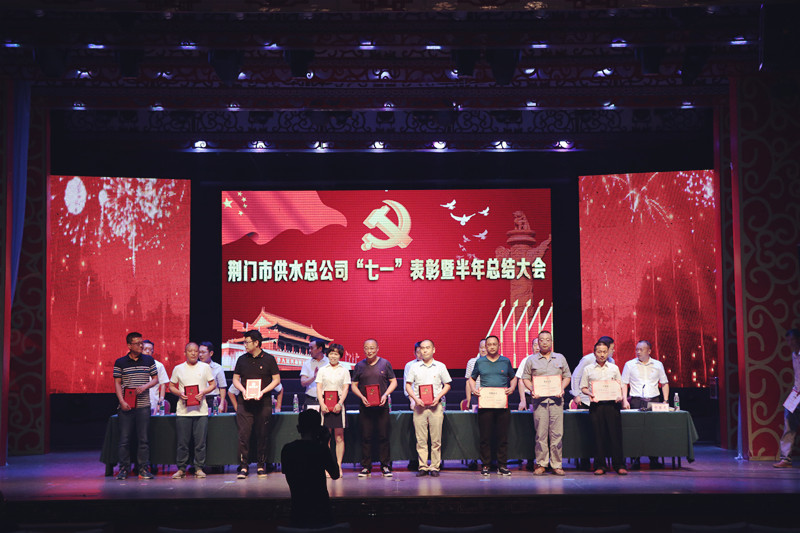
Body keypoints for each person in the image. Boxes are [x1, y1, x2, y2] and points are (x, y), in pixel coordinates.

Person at [231, 329, 281, 479]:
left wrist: (262, 391)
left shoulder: (269, 359)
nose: (245, 345)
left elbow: (276, 380)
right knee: (244, 435)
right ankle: (244, 466)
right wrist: (243, 390)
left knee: (263, 434)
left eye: (247, 342)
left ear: (256, 343)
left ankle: (261, 465)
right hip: (244, 403)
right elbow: (235, 380)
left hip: (263, 402)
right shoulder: (241, 359)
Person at [521, 331, 571, 476]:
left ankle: (556, 464)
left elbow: (567, 376)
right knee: (541, 434)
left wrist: (561, 388)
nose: (544, 342)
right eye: (541, 340)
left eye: (547, 340)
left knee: (557, 434)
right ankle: (541, 464)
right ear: (538, 342)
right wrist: (532, 389)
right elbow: (525, 378)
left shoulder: (560, 358)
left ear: (551, 342)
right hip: (539, 401)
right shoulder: (531, 360)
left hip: (556, 401)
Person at [281, 409, 340, 528]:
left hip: (298, 513)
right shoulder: (321, 450)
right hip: (322, 514)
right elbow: (335, 474)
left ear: (299, 428)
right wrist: (325, 445)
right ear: (319, 429)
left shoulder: (288, 450)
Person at [468, 335, 517, 476]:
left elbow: (513, 378)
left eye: (494, 344)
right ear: (486, 346)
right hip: (485, 404)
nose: (492, 347)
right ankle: (486, 465)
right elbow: (472, 378)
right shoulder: (480, 362)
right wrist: (473, 389)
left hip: (502, 404)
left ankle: (502, 465)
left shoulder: (505, 361)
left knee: (502, 436)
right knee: (485, 437)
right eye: (489, 344)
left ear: (499, 345)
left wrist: (512, 388)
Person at [113, 331, 158, 480]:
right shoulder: (120, 362)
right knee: (124, 439)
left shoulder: (148, 360)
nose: (140, 346)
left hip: (143, 405)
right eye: (137, 343)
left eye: (141, 343)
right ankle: (123, 469)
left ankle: (143, 469)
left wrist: (145, 386)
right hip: (126, 405)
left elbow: (155, 379)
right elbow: (117, 383)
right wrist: (121, 401)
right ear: (129, 345)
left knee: (143, 439)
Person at [169, 342, 216, 479]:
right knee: (182, 443)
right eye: (190, 351)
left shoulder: (205, 367)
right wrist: (179, 393)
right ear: (185, 353)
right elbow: (171, 386)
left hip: (201, 410)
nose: (194, 353)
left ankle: (199, 468)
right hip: (183, 411)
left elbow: (213, 384)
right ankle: (181, 469)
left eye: (196, 351)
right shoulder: (178, 368)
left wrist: (203, 392)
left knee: (200, 443)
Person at [351, 338, 397, 477]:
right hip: (365, 406)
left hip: (382, 406)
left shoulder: (385, 363)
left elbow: (394, 382)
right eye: (366, 348)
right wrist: (361, 397)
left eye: (372, 348)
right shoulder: (359, 365)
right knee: (366, 436)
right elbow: (353, 385)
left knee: (383, 436)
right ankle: (366, 466)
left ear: (377, 349)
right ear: (364, 349)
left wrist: (385, 395)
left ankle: (385, 466)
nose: (369, 351)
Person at [580, 340, 627, 476]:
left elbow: (620, 385)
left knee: (615, 435)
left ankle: (619, 465)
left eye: (604, 352)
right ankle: (600, 465)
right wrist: (590, 393)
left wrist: (620, 396)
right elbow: (583, 387)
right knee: (598, 436)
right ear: (594, 353)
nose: (602, 354)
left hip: (612, 405)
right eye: (599, 352)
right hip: (596, 405)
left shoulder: (614, 368)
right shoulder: (588, 369)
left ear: (608, 353)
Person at [405, 339, 452, 477]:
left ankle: (435, 467)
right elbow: (408, 385)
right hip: (419, 407)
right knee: (421, 439)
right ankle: (423, 466)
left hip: (436, 407)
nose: (425, 350)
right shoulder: (414, 367)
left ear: (433, 349)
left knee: (436, 440)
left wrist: (438, 397)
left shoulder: (440, 366)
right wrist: (415, 399)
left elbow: (447, 384)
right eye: (422, 348)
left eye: (427, 347)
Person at [621, 340, 669, 469]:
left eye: (641, 349)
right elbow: (624, 383)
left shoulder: (658, 365)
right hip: (636, 400)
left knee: (653, 431)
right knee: (635, 431)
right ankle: (635, 459)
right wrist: (625, 400)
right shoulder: (629, 365)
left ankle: (654, 459)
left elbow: (664, 383)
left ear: (649, 351)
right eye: (637, 349)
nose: (638, 352)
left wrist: (665, 400)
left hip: (654, 400)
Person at [570, 335, 616, 471]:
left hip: (604, 401)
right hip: (586, 400)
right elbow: (576, 376)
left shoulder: (611, 361)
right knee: (588, 432)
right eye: (612, 348)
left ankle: (603, 460)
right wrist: (576, 394)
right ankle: (585, 460)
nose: (613, 351)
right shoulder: (587, 360)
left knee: (603, 433)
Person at [316, 343, 350, 477]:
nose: (333, 356)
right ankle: (328, 466)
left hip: (339, 405)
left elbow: (346, 388)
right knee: (326, 438)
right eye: (331, 353)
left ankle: (338, 466)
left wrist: (340, 403)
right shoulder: (322, 370)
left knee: (339, 437)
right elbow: (319, 388)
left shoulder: (344, 370)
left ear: (340, 356)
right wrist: (322, 403)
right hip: (325, 405)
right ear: (327, 354)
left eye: (336, 354)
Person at [774, 328, 800, 468]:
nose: (790, 343)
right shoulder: (794, 355)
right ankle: (786, 458)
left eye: (792, 340)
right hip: (797, 393)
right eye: (788, 340)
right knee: (788, 420)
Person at [463, 339, 487, 470]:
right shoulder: (472, 362)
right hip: (475, 398)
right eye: (481, 347)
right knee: (475, 428)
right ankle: (473, 458)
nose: (483, 349)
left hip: (490, 397)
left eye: (485, 347)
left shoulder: (496, 361)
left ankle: (489, 459)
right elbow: (468, 382)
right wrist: (469, 400)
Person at [403, 341, 423, 471]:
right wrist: (412, 400)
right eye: (418, 351)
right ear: (414, 353)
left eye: (424, 350)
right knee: (415, 433)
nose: (421, 353)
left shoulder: (435, 365)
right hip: (414, 402)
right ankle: (415, 460)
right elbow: (407, 385)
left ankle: (433, 462)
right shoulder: (409, 365)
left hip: (430, 402)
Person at [199, 341, 227, 414]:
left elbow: (222, 387)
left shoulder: (217, 368)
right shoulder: (196, 367)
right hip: (199, 399)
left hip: (213, 399)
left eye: (203, 352)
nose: (200, 355)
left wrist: (221, 404)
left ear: (211, 353)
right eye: (199, 352)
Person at [142, 340, 169, 415]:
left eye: (150, 349)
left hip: (153, 402)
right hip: (139, 403)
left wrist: (161, 400)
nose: (148, 351)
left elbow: (163, 384)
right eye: (145, 349)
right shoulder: (136, 365)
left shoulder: (158, 365)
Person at [300, 338, 329, 409]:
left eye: (312, 348)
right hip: (311, 400)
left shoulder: (329, 363)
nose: (309, 351)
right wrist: (314, 377)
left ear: (320, 349)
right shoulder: (307, 363)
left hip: (327, 399)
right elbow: (303, 383)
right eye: (309, 348)